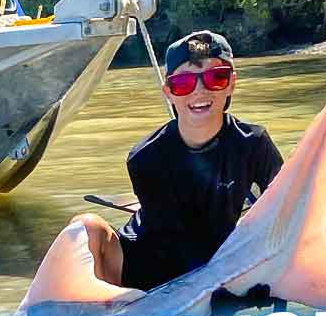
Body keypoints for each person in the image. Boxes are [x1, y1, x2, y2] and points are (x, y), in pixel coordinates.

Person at [72, 30, 284, 292]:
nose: (200, 91)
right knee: (85, 228)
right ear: (169, 93)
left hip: (220, 253)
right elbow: (176, 250)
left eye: (215, 78)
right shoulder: (145, 158)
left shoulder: (255, 143)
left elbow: (287, 214)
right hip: (149, 267)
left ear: (231, 83)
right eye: (183, 83)